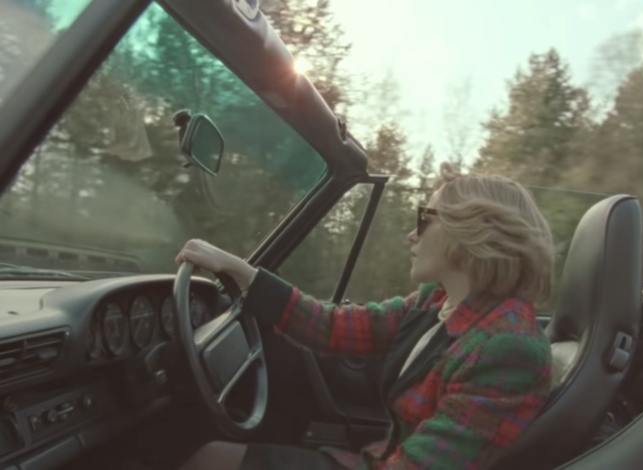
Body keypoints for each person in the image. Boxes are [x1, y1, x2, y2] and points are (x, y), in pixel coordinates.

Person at [177, 163, 554, 470]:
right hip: (381, 458)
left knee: (211, 460)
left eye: (425, 219)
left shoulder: (509, 349)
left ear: (471, 232)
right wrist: (245, 275)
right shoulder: (435, 301)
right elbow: (335, 328)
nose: (411, 235)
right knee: (214, 456)